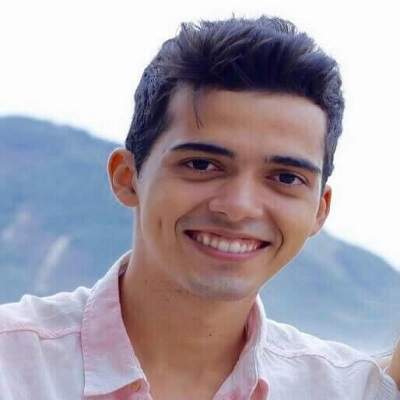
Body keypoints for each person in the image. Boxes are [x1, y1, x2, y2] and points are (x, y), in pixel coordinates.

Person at [0, 15, 399, 400]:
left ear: (320, 210)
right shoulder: (13, 367)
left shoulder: (347, 391)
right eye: (202, 165)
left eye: (285, 177)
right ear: (127, 176)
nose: (239, 207)